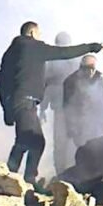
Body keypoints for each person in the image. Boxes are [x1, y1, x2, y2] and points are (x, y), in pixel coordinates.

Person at [0, 22, 102, 183]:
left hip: (20, 102)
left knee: (25, 140)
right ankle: (19, 178)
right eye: (39, 33)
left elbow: (1, 81)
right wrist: (90, 47)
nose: (41, 37)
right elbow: (64, 53)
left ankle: (11, 177)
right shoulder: (34, 47)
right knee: (35, 141)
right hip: (27, 101)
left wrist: (7, 107)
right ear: (32, 33)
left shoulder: (10, 52)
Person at [43, 32, 76, 172]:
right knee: (70, 140)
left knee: (61, 140)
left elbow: (46, 84)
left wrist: (42, 107)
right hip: (72, 107)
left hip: (64, 107)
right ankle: (68, 170)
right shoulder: (75, 59)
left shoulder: (53, 60)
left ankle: (62, 171)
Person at [62, 54, 103, 150]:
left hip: (94, 121)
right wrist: (71, 128)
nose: (90, 71)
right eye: (87, 68)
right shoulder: (70, 81)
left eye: (92, 68)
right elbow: (67, 106)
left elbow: (101, 101)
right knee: (83, 149)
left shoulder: (98, 78)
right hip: (79, 123)